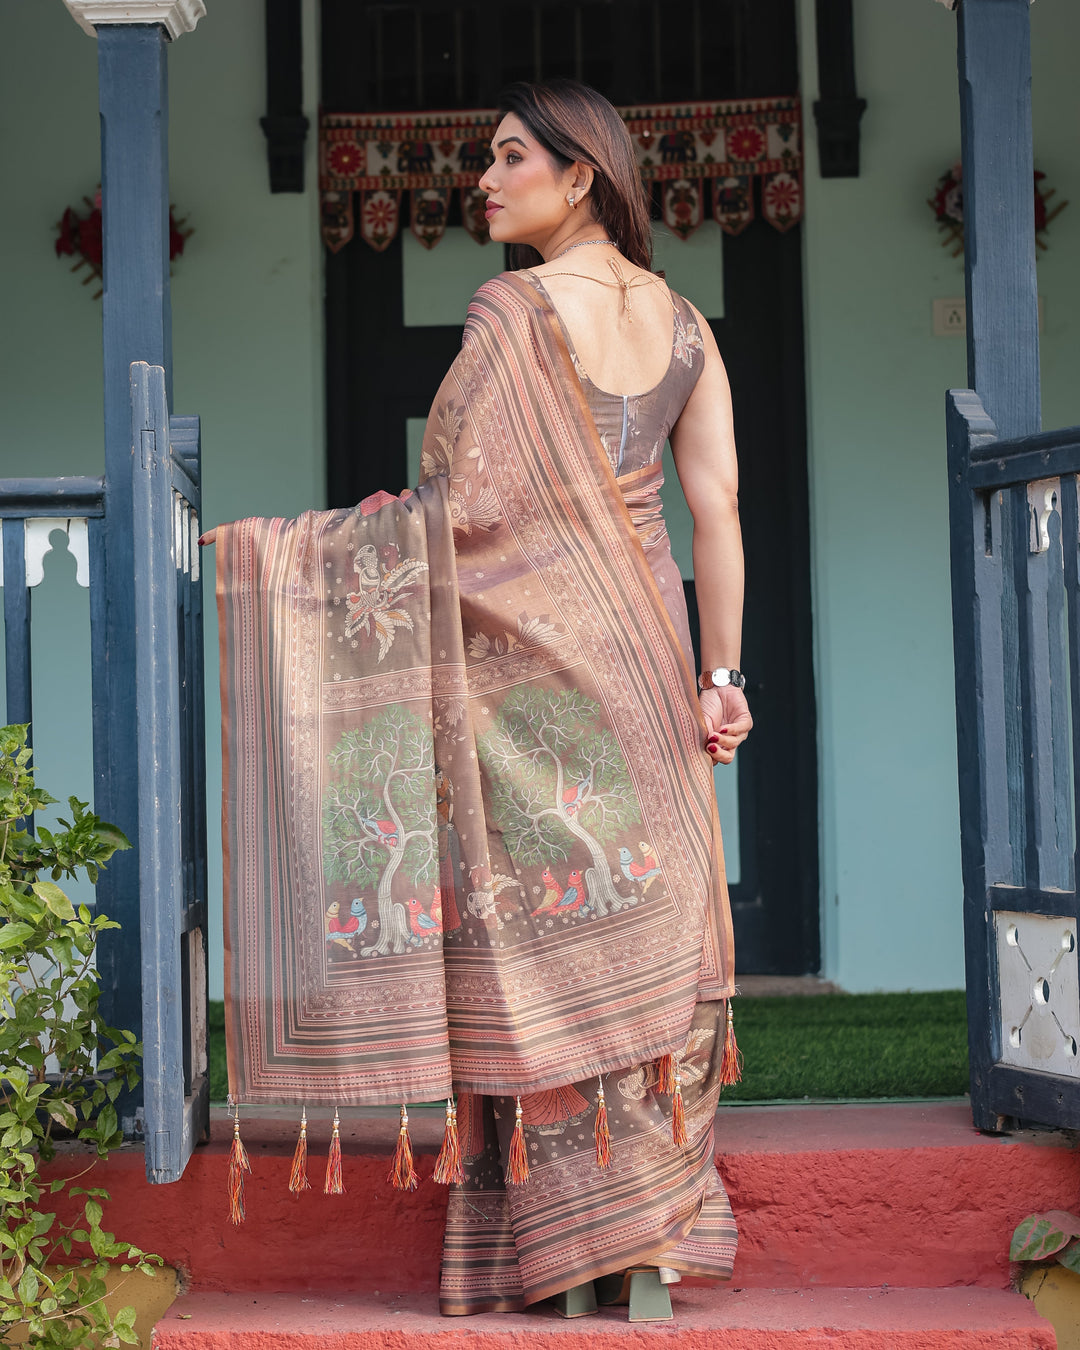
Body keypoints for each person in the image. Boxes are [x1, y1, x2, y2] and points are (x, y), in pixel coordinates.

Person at [210, 78, 750, 1322]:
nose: (486, 180)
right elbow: (715, 510)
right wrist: (723, 678)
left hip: (532, 664)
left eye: (512, 159)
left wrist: (299, 558)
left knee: (542, 928)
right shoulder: (686, 327)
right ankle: (650, 1230)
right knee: (641, 910)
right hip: (647, 643)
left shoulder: (510, 313)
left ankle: (565, 1242)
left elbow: (459, 504)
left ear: (583, 178)